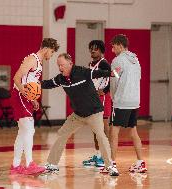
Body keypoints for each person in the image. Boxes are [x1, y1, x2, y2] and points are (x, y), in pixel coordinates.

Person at [41, 53, 119, 176]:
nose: (60, 67)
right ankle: (52, 164)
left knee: (101, 135)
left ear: (70, 64)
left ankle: (110, 166)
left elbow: (97, 73)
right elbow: (48, 83)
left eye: (62, 65)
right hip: (77, 115)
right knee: (62, 134)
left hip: (94, 112)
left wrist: (110, 73)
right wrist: (33, 84)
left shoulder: (82, 72)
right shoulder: (61, 78)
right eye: (58, 65)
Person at [10, 38, 59, 175]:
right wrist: (23, 91)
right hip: (20, 95)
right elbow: (16, 77)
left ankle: (15, 165)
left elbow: (30, 82)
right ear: (46, 48)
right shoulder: (32, 58)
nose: (51, 55)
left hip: (25, 98)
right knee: (29, 130)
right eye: (52, 52)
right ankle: (29, 163)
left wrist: (33, 99)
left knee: (23, 132)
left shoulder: (39, 62)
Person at [109, 34, 147, 173]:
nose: (112, 50)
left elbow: (114, 81)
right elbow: (139, 77)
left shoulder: (117, 61)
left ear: (120, 45)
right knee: (133, 131)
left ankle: (111, 164)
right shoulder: (135, 60)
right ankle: (140, 162)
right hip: (134, 100)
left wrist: (113, 97)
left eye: (113, 47)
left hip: (122, 101)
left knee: (114, 131)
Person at [82, 40, 111, 167]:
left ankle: (106, 157)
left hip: (103, 99)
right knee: (95, 129)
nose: (93, 51)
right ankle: (98, 155)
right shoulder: (90, 64)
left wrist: (104, 90)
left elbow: (112, 77)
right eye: (91, 48)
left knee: (103, 129)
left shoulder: (104, 64)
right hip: (93, 99)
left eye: (96, 49)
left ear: (101, 51)